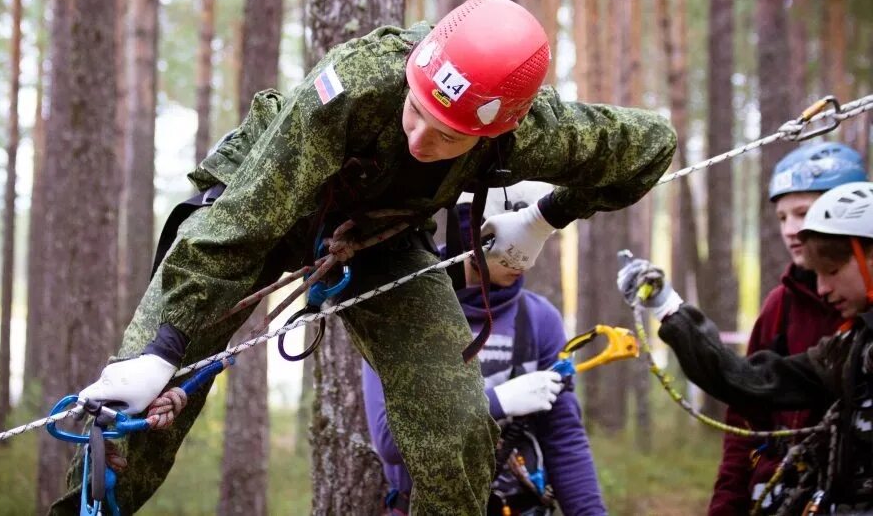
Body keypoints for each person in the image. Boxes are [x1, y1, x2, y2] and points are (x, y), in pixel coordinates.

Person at [56, 0, 676, 515]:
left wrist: (544, 218)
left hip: (381, 240)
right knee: (127, 413)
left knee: (459, 427)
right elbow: (236, 228)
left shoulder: (536, 129)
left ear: (495, 131)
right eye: (415, 110)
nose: (417, 136)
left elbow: (652, 145)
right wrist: (161, 350)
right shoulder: (351, 85)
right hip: (263, 207)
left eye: (446, 136)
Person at [618, 180, 873, 514]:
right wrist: (668, 307)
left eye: (832, 271)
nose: (822, 289)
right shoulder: (849, 348)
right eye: (816, 275)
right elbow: (752, 381)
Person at [363, 182, 607, 515]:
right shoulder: (404, 314)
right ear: (473, 231)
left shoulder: (539, 321)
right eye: (517, 242)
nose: (527, 261)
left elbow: (564, 439)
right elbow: (391, 441)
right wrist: (498, 402)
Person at [710, 142, 867, 515]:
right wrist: (726, 505)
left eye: (804, 212)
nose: (792, 230)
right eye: (782, 218)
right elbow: (743, 419)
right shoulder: (780, 306)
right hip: (779, 494)